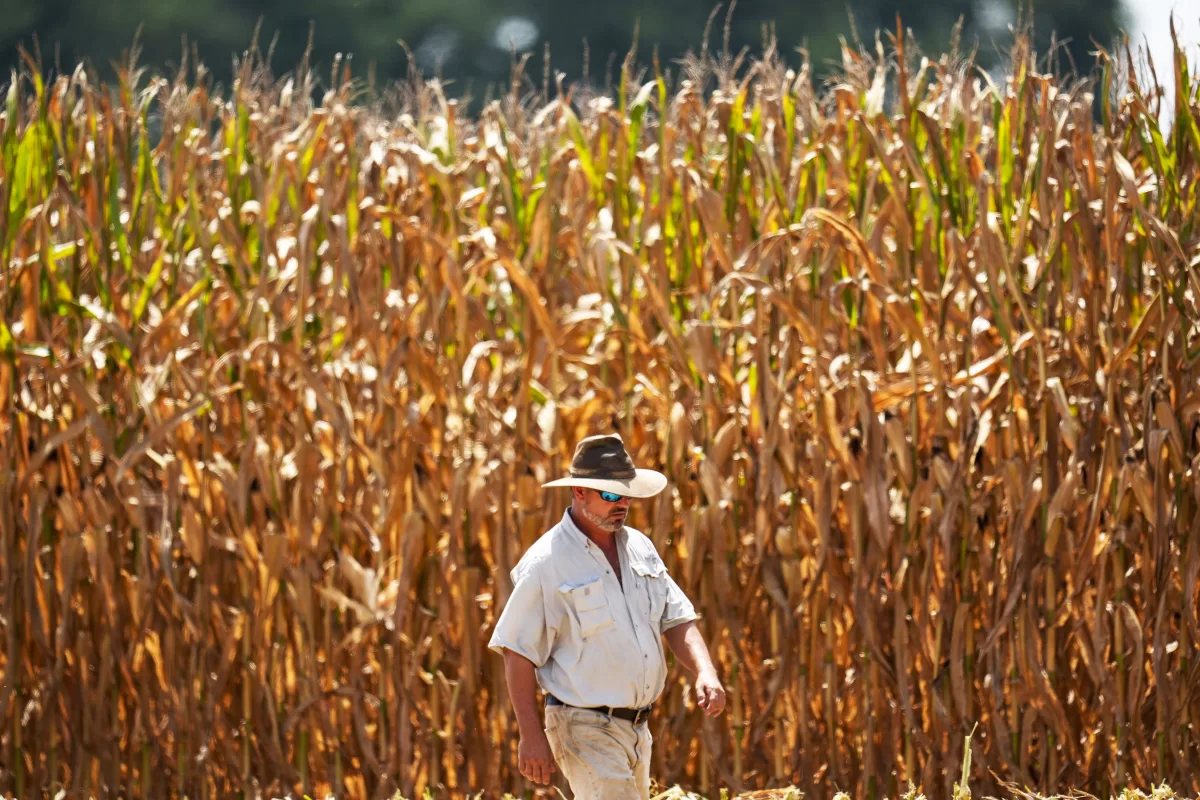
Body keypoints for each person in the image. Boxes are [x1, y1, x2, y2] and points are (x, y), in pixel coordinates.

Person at [488, 432, 726, 799]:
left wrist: (705, 671)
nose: (622, 504)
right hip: (582, 727)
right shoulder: (546, 562)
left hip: (637, 729)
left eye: (626, 494)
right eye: (611, 495)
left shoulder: (641, 548)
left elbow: (676, 618)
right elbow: (517, 651)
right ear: (579, 492)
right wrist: (531, 736)